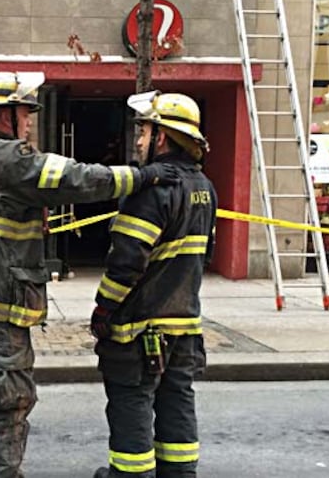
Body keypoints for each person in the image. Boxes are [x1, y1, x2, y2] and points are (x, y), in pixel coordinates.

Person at [0, 71, 180, 478]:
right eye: (26, 112)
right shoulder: (8, 157)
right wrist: (142, 175)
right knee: (3, 408)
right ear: (7, 114)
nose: (28, 121)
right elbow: (77, 178)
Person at [90, 91, 217, 478]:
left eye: (143, 131)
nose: (139, 140)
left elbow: (126, 264)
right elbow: (204, 256)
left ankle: (130, 474)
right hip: (184, 324)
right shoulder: (204, 187)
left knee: (131, 400)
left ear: (162, 136)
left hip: (139, 328)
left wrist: (104, 309)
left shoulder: (152, 190)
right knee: (177, 399)